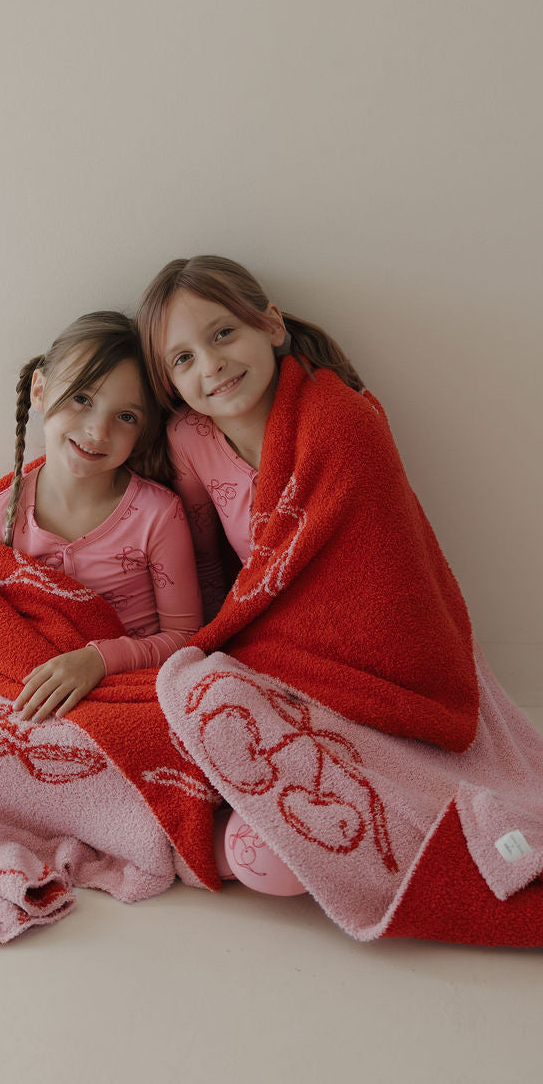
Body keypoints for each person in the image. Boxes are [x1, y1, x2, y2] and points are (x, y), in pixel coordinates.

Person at [136, 257, 366, 897]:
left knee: (271, 858)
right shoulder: (190, 437)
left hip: (356, 656)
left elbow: (383, 568)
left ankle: (320, 809)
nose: (209, 365)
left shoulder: (338, 419)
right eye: (181, 359)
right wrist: (215, 646)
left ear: (269, 324)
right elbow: (210, 559)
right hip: (265, 643)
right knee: (189, 689)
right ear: (169, 385)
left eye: (221, 335)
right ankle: (218, 812)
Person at [0, 310, 202, 722]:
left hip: (129, 698)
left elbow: (186, 638)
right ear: (40, 390)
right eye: (82, 398)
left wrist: (97, 661)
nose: (99, 432)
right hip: (31, 702)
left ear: (143, 432)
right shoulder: (1, 518)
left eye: (126, 417)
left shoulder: (157, 514)